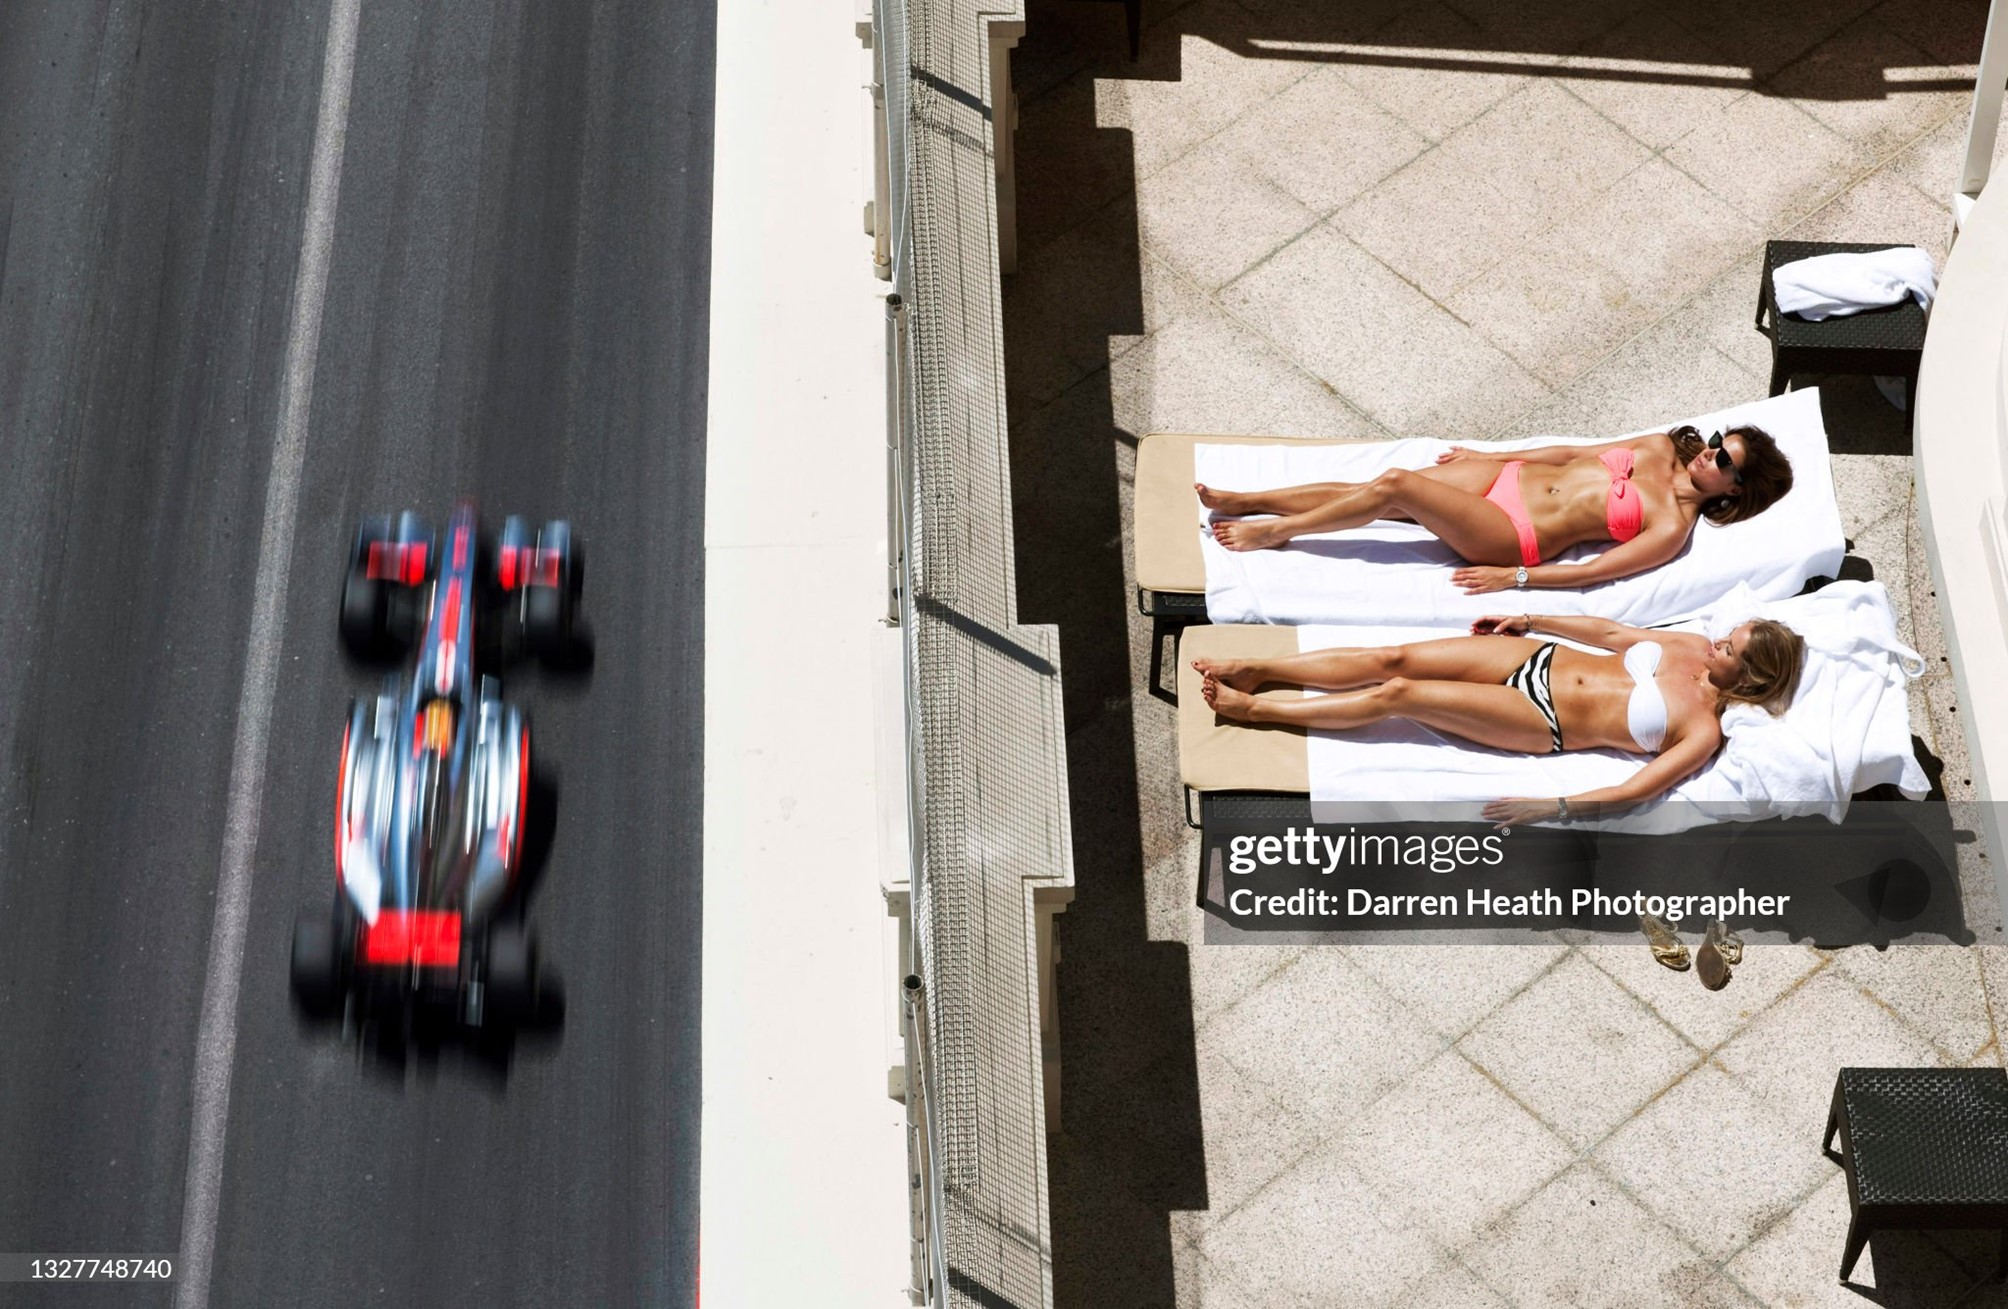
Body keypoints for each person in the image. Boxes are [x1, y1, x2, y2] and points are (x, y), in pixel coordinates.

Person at [1193, 611, 1805, 825]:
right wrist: (1534, 618)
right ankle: (1259, 666)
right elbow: (1611, 633)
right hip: (1536, 656)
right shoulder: (1690, 647)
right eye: (1728, 634)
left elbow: (1634, 789)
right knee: (1392, 656)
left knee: (1400, 692)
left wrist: (1556, 805)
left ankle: (1257, 708)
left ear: (1750, 678)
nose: (1719, 641)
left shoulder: (1703, 731)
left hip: (1539, 717)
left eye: (1732, 647)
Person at [1195, 425, 1793, 594]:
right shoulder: (1661, 447)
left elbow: (1591, 572)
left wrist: (1516, 577)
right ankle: (1248, 500)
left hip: (1515, 532)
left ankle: (1278, 533)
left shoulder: (1672, 528)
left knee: (1398, 487)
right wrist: (1493, 455)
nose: (1709, 455)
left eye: (1724, 462)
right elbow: (1570, 452)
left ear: (1734, 491)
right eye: (1718, 443)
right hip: (1511, 475)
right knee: (1379, 487)